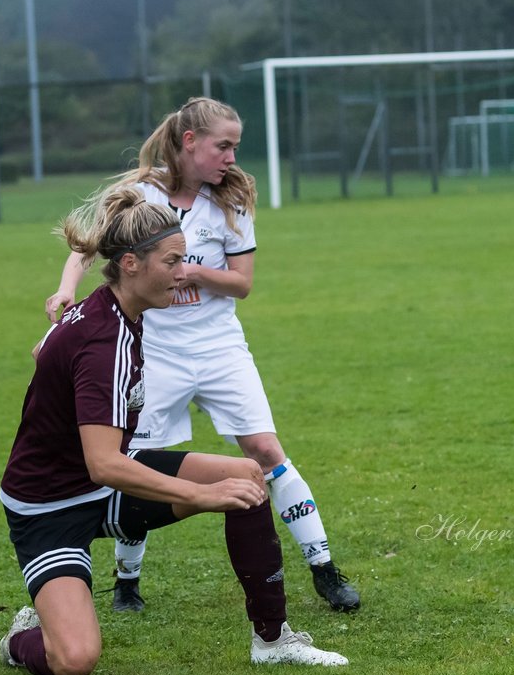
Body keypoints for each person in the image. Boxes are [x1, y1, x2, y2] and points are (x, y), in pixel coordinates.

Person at [0, 185, 347, 675]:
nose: (184, 273)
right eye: (172, 261)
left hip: (103, 487)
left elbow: (48, 358)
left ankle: (273, 641)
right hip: (49, 506)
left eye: (184, 259)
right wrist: (202, 496)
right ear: (131, 264)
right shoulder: (105, 341)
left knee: (246, 478)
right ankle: (19, 639)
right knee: (74, 660)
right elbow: (105, 464)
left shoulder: (122, 311)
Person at [44, 98, 360, 614]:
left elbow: (242, 285)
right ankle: (126, 582)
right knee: (134, 458)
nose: (232, 158)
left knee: (264, 449)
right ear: (190, 143)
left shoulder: (230, 203)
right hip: (154, 349)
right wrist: (64, 289)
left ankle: (324, 567)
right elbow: (89, 245)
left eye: (235, 147)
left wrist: (195, 273)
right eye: (224, 146)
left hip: (218, 349)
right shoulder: (139, 194)